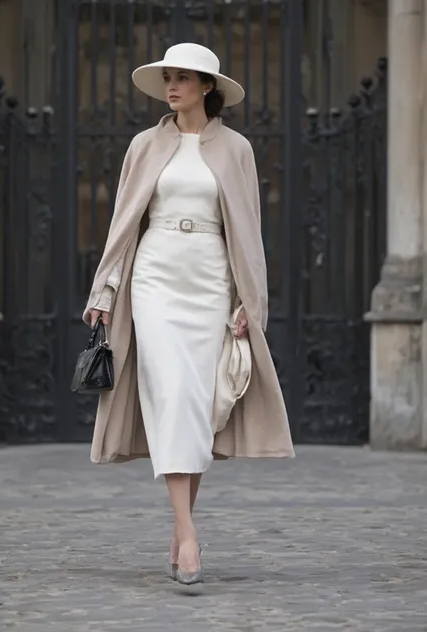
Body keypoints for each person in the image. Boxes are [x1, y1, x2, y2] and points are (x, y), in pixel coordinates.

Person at [83, 43, 294, 586]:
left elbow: (248, 231)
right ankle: (190, 534)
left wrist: (249, 299)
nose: (171, 87)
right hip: (154, 278)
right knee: (172, 395)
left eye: (182, 78)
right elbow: (124, 222)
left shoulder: (237, 149)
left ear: (207, 86)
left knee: (197, 408)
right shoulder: (144, 145)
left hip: (210, 279)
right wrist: (105, 292)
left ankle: (180, 531)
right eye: (167, 78)